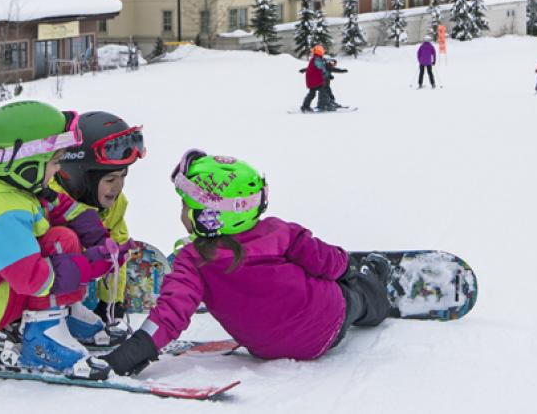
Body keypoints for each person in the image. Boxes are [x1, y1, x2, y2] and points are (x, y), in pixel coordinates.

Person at [91, 149, 394, 378]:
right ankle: (372, 285)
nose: (182, 213)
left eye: (186, 206)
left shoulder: (192, 261)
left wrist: (131, 354)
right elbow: (329, 263)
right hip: (329, 320)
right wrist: (347, 267)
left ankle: (362, 284)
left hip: (265, 348)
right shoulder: (280, 232)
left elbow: (170, 313)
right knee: (353, 294)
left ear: (207, 217)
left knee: (336, 285)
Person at [0, 101, 120, 377]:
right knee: (58, 242)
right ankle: (43, 338)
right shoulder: (0, 211)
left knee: (65, 236)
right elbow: (33, 279)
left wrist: (93, 232)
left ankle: (63, 317)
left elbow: (60, 206)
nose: (58, 170)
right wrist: (85, 265)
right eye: (55, 162)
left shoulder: (20, 187)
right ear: (27, 166)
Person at [48, 111, 145, 345]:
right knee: (65, 238)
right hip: (40, 291)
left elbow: (115, 250)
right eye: (110, 180)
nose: (118, 187)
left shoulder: (115, 204)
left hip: (80, 281)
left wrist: (111, 303)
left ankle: (79, 307)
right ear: (77, 177)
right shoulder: (47, 202)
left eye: (123, 176)